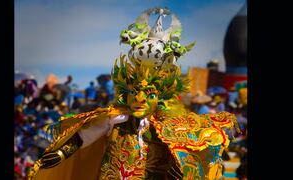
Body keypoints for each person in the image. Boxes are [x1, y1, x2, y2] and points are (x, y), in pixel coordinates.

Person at [28, 7, 239, 180]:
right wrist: (62, 152)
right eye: (134, 92)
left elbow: (189, 158)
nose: (139, 99)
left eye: (149, 94)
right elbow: (85, 136)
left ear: (162, 97)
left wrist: (182, 171)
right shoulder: (114, 119)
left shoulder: (172, 128)